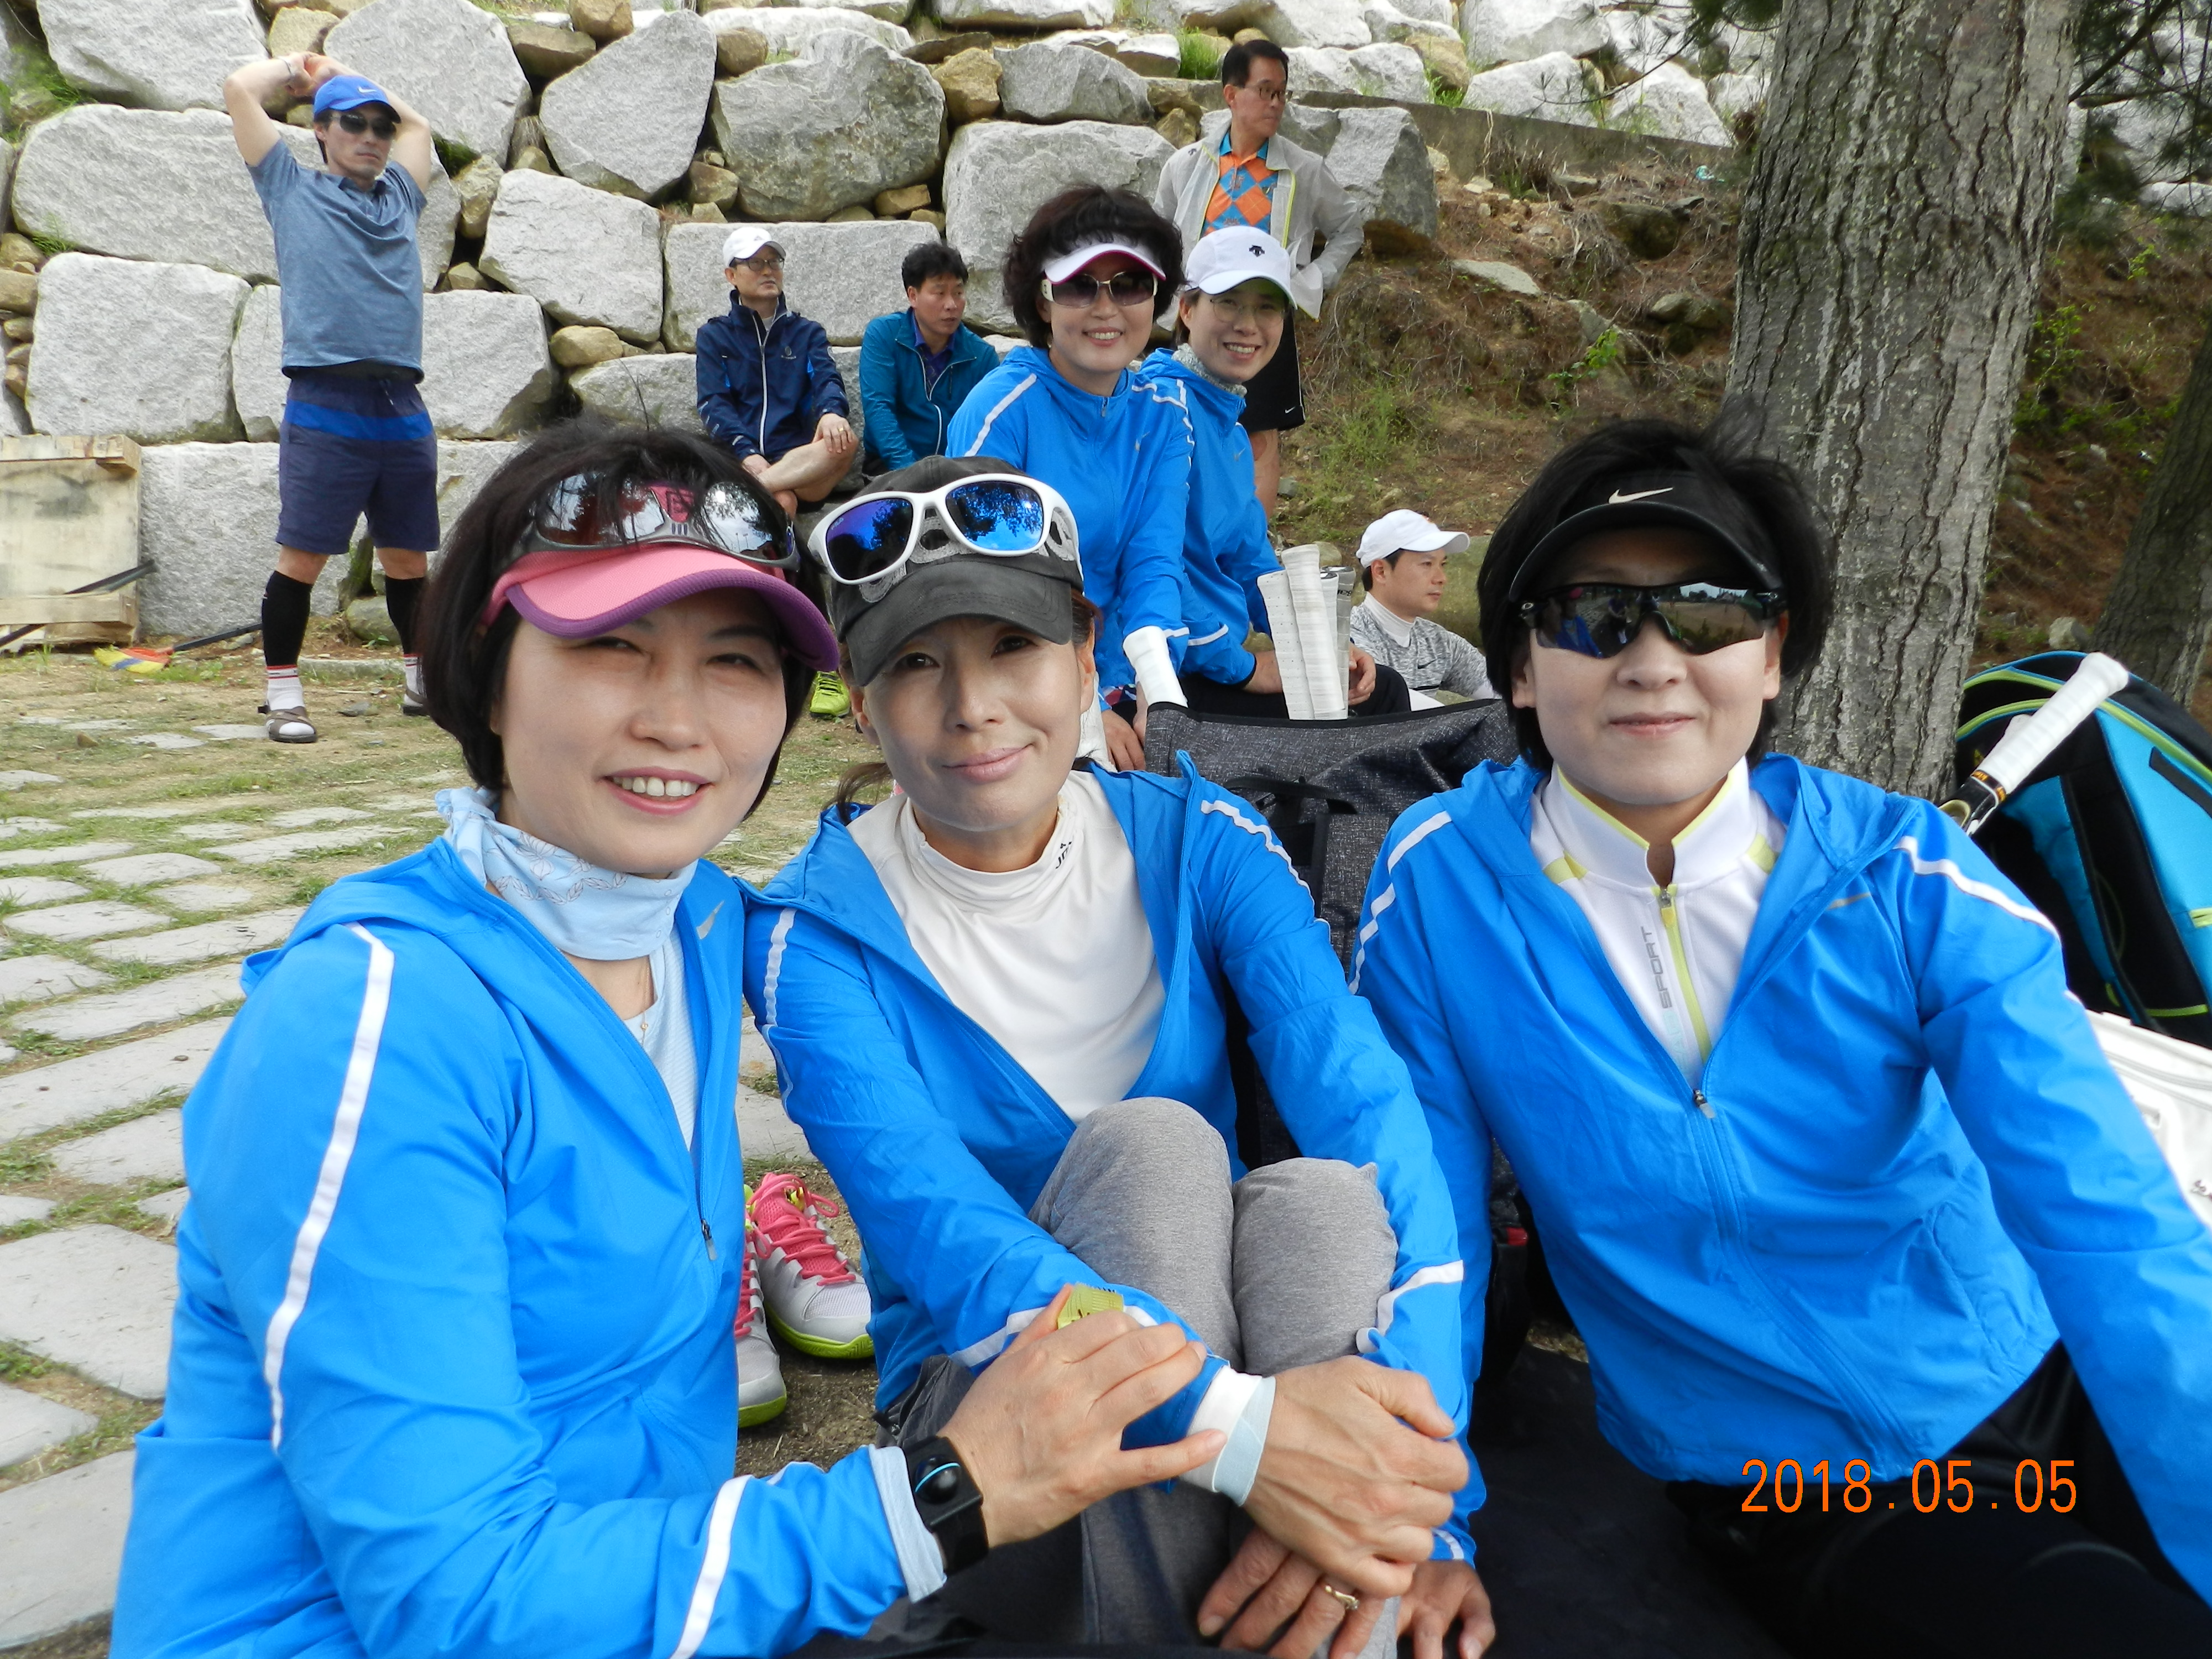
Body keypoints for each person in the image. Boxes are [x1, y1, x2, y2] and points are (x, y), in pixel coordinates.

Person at [110, 423, 1228, 1659]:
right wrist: (938, 1497)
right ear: (482, 667)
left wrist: (1246, 1428)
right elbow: (452, 1601)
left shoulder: (698, 925)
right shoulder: (372, 1026)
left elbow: (937, 1202)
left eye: (735, 661)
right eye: (610, 646)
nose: (678, 720)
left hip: (664, 1594)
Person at [1350, 417, 2212, 1659]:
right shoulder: (1440, 889)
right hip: (1796, 1485)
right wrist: (1426, 1525)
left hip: (2042, 1376)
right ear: (1521, 670)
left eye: (1707, 613)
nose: (1654, 660)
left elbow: (2105, 1209)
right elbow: (1421, 1221)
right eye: (1594, 614)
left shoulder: (1905, 872)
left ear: (1772, 654)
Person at [749, 455, 1493, 1659]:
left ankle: (1348, 1591)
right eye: (916, 664)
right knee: (1151, 1150)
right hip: (993, 1404)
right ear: (863, 702)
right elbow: (948, 1239)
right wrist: (1252, 1436)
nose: (973, 706)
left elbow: (1363, 1103)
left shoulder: (1206, 838)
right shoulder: (811, 934)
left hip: (1227, 1366)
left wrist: (1423, 1505)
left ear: (1088, 652)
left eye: (1013, 646)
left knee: (1321, 1199)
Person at [222, 53, 436, 745]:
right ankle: (285, 697)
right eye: (352, 123)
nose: (371, 136)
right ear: (320, 131)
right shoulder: (289, 186)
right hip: (325, 400)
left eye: (378, 125)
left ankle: (423, 682)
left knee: (408, 561)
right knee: (303, 558)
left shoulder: (401, 196)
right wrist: (301, 68)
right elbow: (238, 90)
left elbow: (419, 126)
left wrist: (351, 74)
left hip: (402, 405)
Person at [947, 185, 1193, 769]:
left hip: (1118, 677)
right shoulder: (1002, 413)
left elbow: (1154, 561)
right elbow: (983, 585)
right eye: (1080, 286)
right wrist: (1083, 710)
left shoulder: (1163, 413)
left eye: (1130, 285)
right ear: (1043, 303)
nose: (1106, 309)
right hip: (1012, 683)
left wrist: (1160, 693)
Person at [1133, 227, 1397, 718]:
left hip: (1210, 662)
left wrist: (1322, 646)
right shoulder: (1162, 408)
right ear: (1187, 310)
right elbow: (1152, 568)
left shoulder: (1229, 428)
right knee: (1377, 707)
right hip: (1167, 672)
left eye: (1267, 308)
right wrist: (1246, 669)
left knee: (1375, 689)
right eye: (1229, 303)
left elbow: (1251, 559)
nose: (1248, 325)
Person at [1154, 38, 1363, 517]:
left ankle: (1255, 547)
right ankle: (1187, 529)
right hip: (1199, 315)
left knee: (1259, 435)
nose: (1275, 104)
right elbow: (1160, 231)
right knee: (1181, 420)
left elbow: (1349, 227)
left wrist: (1310, 281)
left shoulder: (1304, 170)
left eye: (1282, 94)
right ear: (1231, 94)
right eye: (1265, 91)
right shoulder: (1188, 164)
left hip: (1265, 319)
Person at [695, 226, 856, 519]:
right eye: (756, 263)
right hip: (738, 458)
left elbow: (827, 380)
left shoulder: (807, 333)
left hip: (798, 462)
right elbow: (713, 402)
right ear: (731, 275)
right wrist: (746, 453)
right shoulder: (714, 336)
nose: (768, 271)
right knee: (783, 502)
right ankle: (765, 489)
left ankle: (753, 488)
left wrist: (832, 413)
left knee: (846, 442)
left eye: (774, 262)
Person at [858, 242, 999, 474]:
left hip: (954, 472)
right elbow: (879, 408)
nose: (951, 305)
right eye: (940, 293)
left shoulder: (981, 356)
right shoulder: (884, 335)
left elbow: (987, 426)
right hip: (890, 469)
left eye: (958, 293)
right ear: (913, 296)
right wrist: (913, 474)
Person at [1348, 510, 1494, 706]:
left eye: (1442, 565)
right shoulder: (1352, 641)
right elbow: (1398, 710)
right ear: (1381, 571)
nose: (1442, 578)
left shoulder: (1438, 641)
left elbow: (1504, 692)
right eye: (1427, 564)